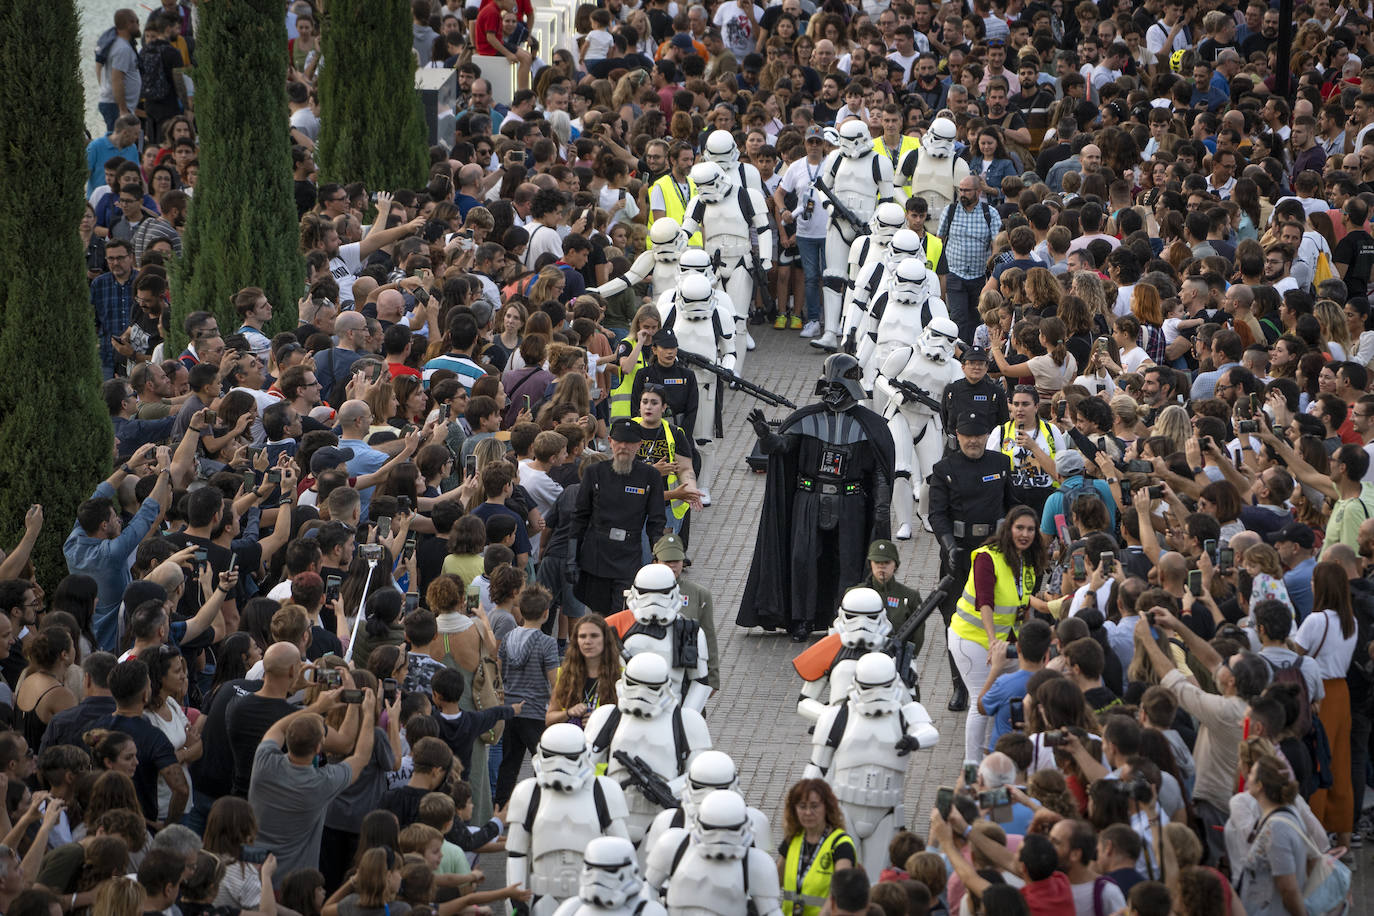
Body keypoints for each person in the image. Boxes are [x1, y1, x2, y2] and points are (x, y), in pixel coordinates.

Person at [738, 354, 895, 641]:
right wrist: (765, 436)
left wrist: (882, 509)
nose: (834, 395)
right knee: (803, 560)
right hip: (808, 500)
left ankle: (844, 617)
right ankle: (802, 619)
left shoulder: (872, 426)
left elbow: (880, 472)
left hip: (851, 503)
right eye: (830, 388)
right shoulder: (806, 419)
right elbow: (782, 447)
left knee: (849, 562)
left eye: (840, 388)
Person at [928, 414, 1017, 712]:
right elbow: (937, 514)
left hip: (993, 552)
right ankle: (959, 686)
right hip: (959, 553)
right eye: (967, 436)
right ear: (957, 435)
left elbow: (1012, 504)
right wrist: (949, 546)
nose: (973, 441)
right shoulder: (944, 469)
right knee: (954, 617)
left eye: (979, 436)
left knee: (1001, 610)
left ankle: (1000, 679)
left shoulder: (1000, 464)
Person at [947, 506, 1046, 758]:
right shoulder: (987, 557)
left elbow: (1023, 605)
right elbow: (985, 602)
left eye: (1031, 529)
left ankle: (996, 756)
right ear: (1008, 528)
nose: (1025, 534)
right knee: (981, 702)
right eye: (1019, 528)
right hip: (972, 638)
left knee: (1003, 699)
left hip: (1007, 640)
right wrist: (993, 642)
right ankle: (972, 765)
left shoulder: (1028, 560)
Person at [777, 778, 854, 916]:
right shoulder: (792, 840)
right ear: (794, 809)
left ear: (827, 807)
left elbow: (841, 890)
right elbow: (775, 881)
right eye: (802, 806)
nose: (808, 812)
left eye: (814, 806)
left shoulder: (841, 844)